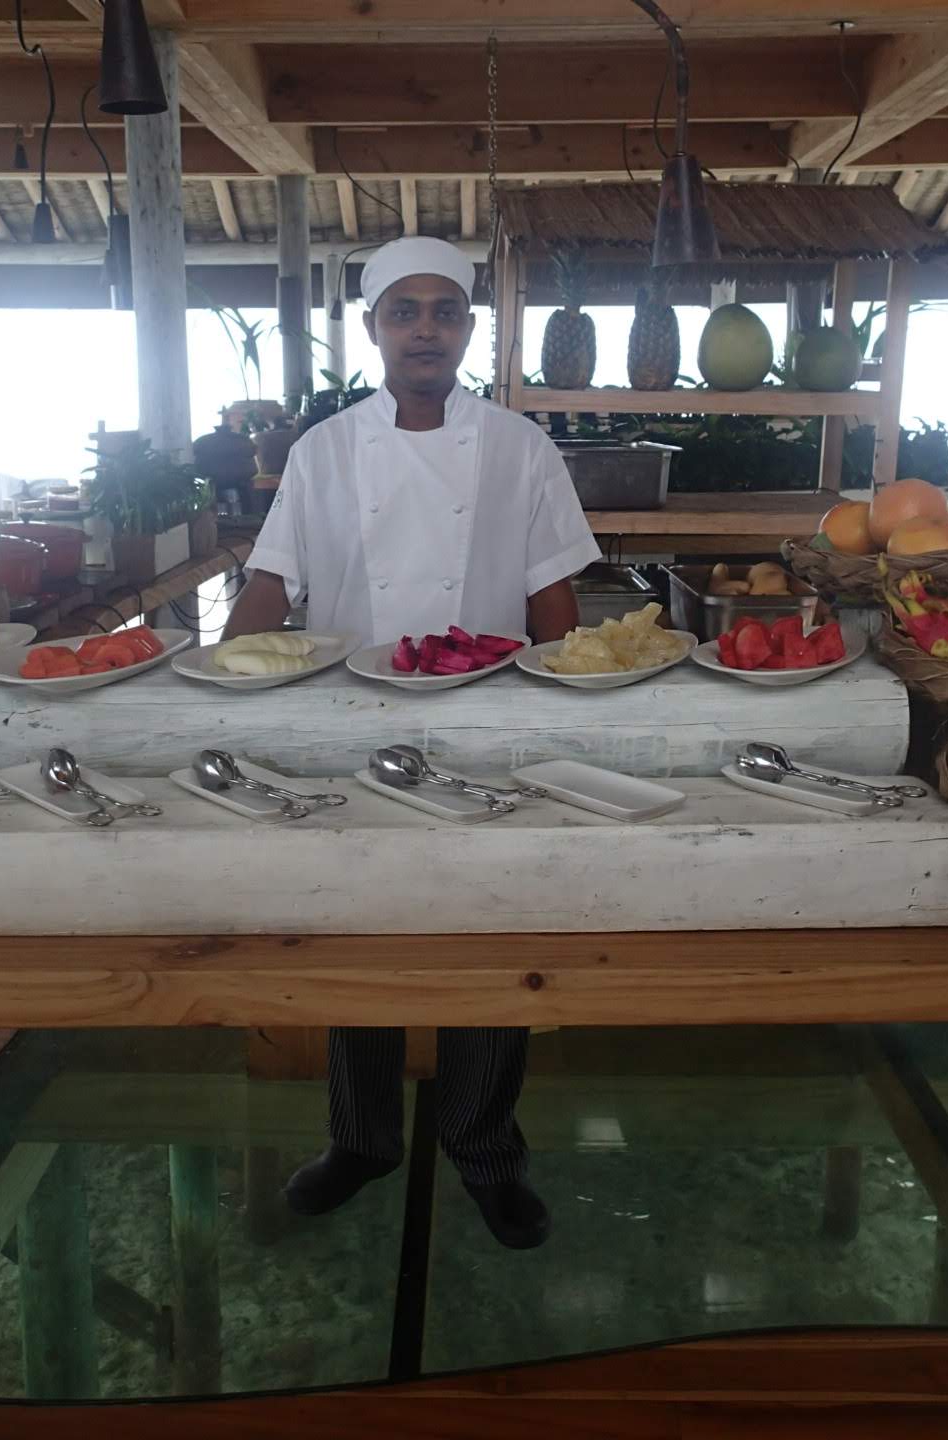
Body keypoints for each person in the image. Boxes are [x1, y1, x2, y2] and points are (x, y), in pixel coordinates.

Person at [222, 236, 600, 1250]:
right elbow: (272, 582)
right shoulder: (323, 450)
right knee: (359, 926)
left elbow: (553, 597)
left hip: (490, 722)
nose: (425, 330)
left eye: (444, 311)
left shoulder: (519, 448)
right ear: (374, 327)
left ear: (469, 327)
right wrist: (217, 682)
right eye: (404, 311)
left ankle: (486, 1153)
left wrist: (573, 710)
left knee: (494, 932)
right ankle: (361, 1140)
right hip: (356, 722)